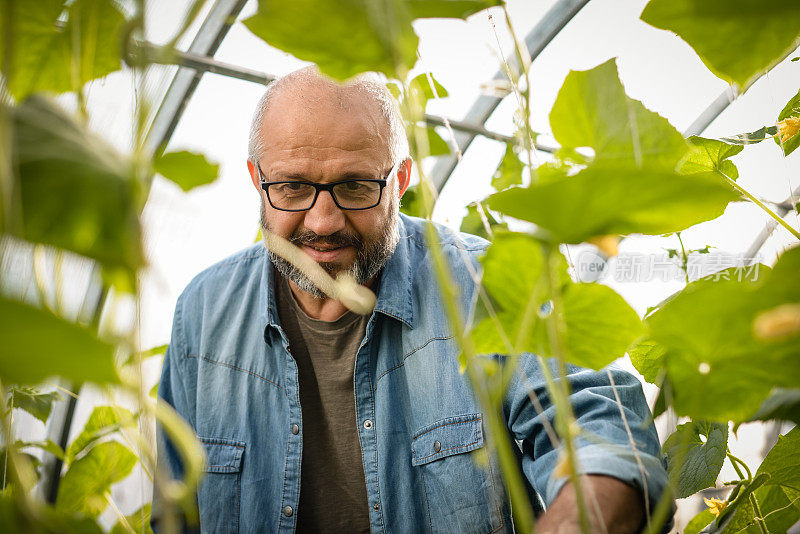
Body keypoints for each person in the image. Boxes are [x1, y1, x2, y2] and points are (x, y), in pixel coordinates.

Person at [153, 67, 670, 533]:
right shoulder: (204, 314)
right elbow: (176, 515)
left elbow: (601, 436)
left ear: (399, 180)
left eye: (355, 187)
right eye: (291, 188)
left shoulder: (489, 286)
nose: (322, 221)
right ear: (257, 182)